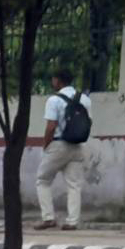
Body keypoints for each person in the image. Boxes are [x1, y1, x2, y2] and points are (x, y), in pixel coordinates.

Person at [38, 83, 96, 228]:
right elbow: (89, 122)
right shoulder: (84, 99)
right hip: (77, 145)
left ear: (57, 80)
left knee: (43, 180)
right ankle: (72, 221)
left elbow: (51, 126)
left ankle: (48, 217)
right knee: (74, 184)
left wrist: (46, 145)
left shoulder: (54, 100)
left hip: (58, 144)